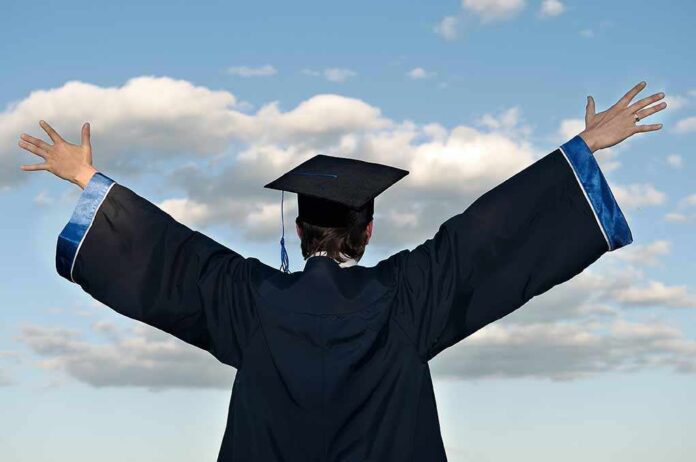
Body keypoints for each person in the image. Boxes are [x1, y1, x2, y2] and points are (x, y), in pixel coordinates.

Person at [18, 81, 666, 461]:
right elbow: (487, 238)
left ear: (298, 232)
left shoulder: (250, 300)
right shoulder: (410, 297)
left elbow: (171, 256)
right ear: (369, 229)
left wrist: (85, 178)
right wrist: (582, 149)